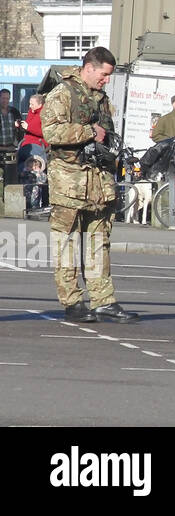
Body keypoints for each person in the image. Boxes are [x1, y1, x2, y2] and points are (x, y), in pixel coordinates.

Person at [42, 47, 140, 324]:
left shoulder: (100, 98)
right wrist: (88, 132)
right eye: (105, 74)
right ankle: (73, 302)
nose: (107, 80)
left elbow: (105, 136)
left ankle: (103, 301)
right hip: (69, 183)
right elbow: (51, 132)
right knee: (67, 244)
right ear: (90, 67)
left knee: (99, 243)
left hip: (99, 183)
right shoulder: (62, 93)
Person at [17, 92, 47, 167]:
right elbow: (28, 128)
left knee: (33, 165)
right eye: (30, 104)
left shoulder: (45, 114)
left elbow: (45, 132)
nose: (30, 106)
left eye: (32, 104)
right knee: (20, 164)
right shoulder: (31, 112)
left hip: (37, 145)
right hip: (26, 144)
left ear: (40, 105)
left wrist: (28, 127)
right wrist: (20, 126)